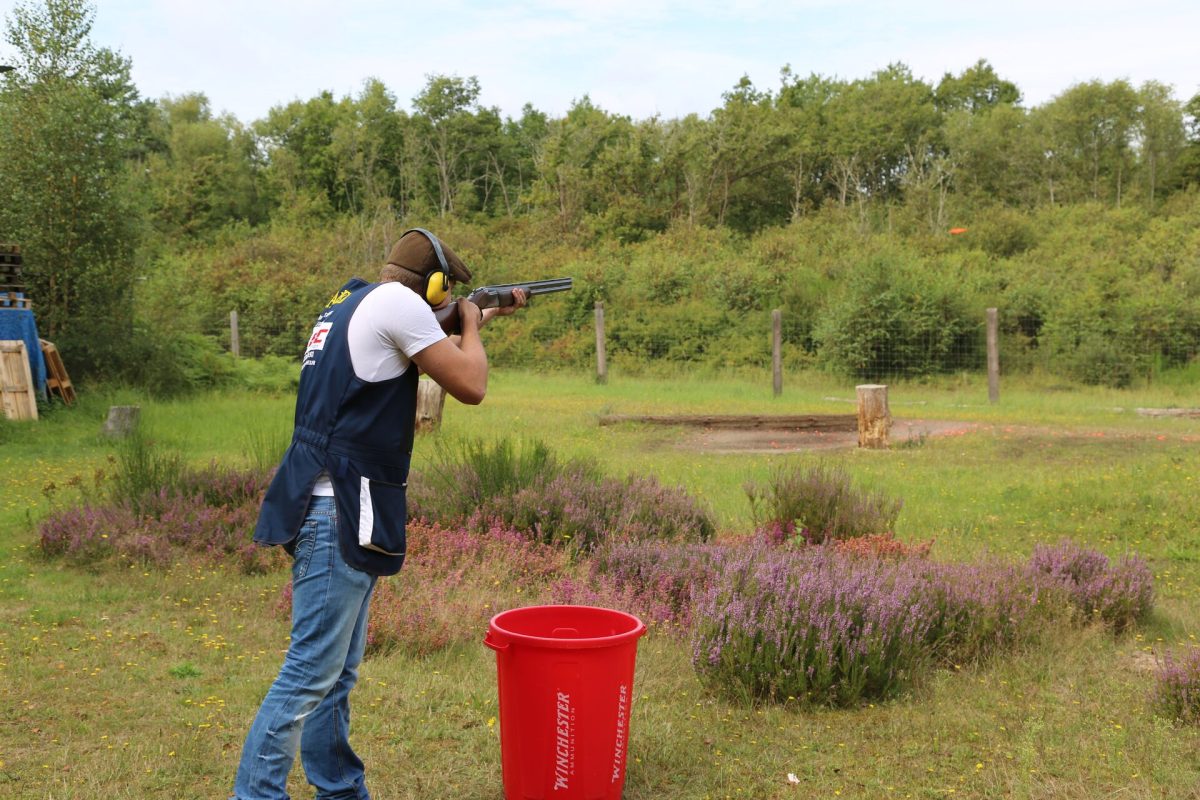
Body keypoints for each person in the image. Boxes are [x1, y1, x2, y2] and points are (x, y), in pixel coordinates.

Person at [230, 228, 526, 800]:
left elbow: (409, 354)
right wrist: (469, 324)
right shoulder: (397, 305)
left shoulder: (352, 300)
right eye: (446, 291)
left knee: (334, 675)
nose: (447, 300)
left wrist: (475, 318)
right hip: (339, 509)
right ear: (433, 286)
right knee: (310, 673)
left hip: (332, 502)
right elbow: (471, 385)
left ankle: (339, 789)